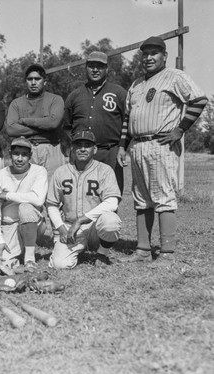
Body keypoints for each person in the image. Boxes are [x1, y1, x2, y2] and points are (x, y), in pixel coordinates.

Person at [117, 36, 207, 264]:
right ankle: (143, 250)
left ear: (164, 56)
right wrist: (122, 147)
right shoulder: (136, 84)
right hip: (137, 145)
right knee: (141, 198)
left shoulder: (175, 76)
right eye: (145, 53)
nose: (148, 58)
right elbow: (128, 118)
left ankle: (167, 251)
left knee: (163, 197)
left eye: (154, 53)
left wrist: (180, 129)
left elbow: (198, 100)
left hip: (161, 143)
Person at [47, 130, 122, 269]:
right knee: (59, 265)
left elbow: (112, 202)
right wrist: (61, 228)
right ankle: (78, 248)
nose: (82, 149)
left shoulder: (105, 170)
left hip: (95, 227)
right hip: (70, 228)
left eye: (87, 145)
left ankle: (102, 252)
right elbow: (51, 204)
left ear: (95, 149)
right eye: (78, 145)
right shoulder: (61, 172)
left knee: (111, 221)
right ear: (72, 149)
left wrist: (81, 220)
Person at [64, 51, 127, 194]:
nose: (95, 70)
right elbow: (67, 126)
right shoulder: (75, 95)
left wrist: (122, 147)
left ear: (107, 69)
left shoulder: (118, 92)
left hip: (110, 151)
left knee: (110, 194)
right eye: (91, 66)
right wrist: (75, 145)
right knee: (81, 194)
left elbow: (127, 122)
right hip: (82, 152)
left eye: (100, 66)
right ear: (86, 68)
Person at [0, 137, 48, 269]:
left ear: (30, 156)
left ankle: (30, 258)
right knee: (2, 262)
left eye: (24, 155)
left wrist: (8, 195)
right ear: (10, 154)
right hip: (8, 226)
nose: (19, 159)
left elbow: (38, 199)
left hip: (34, 223)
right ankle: (19, 249)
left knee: (25, 208)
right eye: (16, 154)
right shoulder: (0, 175)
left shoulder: (39, 171)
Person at [5, 63, 66, 181]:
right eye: (30, 79)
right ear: (25, 81)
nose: (33, 82)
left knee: (53, 188)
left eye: (37, 79)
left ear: (45, 81)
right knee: (26, 187)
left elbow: (53, 123)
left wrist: (24, 121)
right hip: (26, 148)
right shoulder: (17, 103)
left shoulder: (55, 99)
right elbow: (11, 129)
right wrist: (43, 128)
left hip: (51, 147)